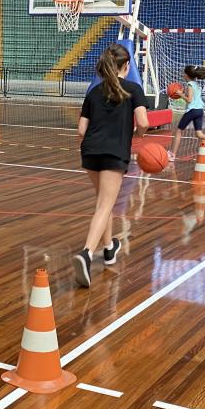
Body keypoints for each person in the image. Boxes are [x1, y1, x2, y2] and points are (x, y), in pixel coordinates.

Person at [73, 44, 149, 288]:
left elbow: (81, 130)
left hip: (90, 152)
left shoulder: (93, 93)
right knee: (105, 206)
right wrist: (138, 137)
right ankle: (86, 253)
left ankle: (108, 249)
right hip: (114, 152)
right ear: (126, 66)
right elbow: (144, 122)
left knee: (102, 205)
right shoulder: (134, 89)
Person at [168, 65, 205, 162]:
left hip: (192, 110)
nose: (183, 75)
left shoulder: (190, 85)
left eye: (184, 73)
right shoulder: (195, 84)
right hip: (199, 110)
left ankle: (172, 154)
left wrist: (180, 94)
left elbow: (189, 100)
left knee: (179, 131)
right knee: (199, 134)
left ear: (187, 75)